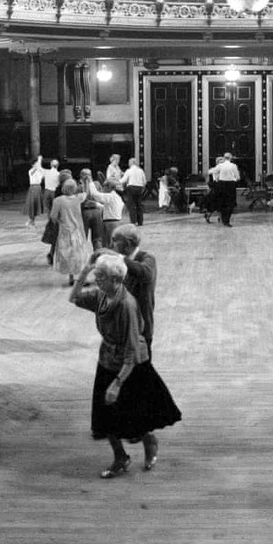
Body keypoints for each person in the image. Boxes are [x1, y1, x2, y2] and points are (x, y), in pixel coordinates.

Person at [69, 254, 181, 479]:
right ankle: (121, 457)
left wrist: (117, 384)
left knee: (133, 417)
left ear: (115, 279)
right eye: (96, 275)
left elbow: (131, 349)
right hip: (108, 358)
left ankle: (149, 442)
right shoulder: (102, 296)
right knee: (105, 416)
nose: (96, 279)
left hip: (131, 365)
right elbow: (75, 298)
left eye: (101, 276)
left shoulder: (127, 304)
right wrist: (83, 273)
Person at [109, 224, 157, 355]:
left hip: (141, 327)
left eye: (115, 240)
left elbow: (145, 273)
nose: (112, 245)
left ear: (128, 243)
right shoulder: (119, 261)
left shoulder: (147, 258)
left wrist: (121, 259)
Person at [49, 180, 92, 285]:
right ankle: (82, 279)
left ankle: (71, 278)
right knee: (80, 254)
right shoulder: (78, 198)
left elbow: (53, 216)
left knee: (67, 254)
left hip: (64, 231)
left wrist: (60, 221)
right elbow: (87, 193)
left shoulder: (58, 201)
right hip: (77, 230)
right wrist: (86, 182)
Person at [89, 179, 125, 248]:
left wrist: (90, 183)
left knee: (109, 244)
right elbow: (109, 207)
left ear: (109, 188)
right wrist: (96, 204)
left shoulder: (110, 196)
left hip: (110, 222)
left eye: (104, 187)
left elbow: (96, 195)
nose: (102, 189)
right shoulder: (116, 197)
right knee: (110, 243)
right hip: (114, 221)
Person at [209, 153, 241, 227]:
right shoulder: (233, 166)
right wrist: (234, 178)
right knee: (230, 203)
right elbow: (237, 177)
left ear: (224, 158)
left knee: (223, 202)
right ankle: (227, 221)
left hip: (221, 184)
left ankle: (223, 219)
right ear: (231, 158)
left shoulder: (220, 166)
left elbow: (211, 171)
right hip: (231, 185)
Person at [79, 169, 104, 250]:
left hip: (84, 212)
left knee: (83, 238)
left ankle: (82, 258)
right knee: (97, 239)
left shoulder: (79, 186)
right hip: (97, 211)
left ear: (81, 176)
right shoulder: (97, 184)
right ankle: (98, 258)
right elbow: (101, 197)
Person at [118, 157, 148, 227]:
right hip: (139, 188)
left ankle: (133, 221)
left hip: (131, 188)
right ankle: (140, 221)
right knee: (139, 205)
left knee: (131, 205)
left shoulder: (129, 171)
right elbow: (144, 181)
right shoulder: (141, 171)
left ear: (131, 163)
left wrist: (117, 182)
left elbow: (123, 180)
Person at [26, 157, 45, 226]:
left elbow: (42, 176)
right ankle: (31, 219)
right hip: (33, 187)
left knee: (36, 205)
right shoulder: (31, 171)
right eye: (36, 164)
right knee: (32, 204)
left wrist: (39, 165)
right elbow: (34, 171)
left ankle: (32, 220)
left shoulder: (39, 171)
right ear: (32, 165)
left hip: (38, 187)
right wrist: (39, 161)